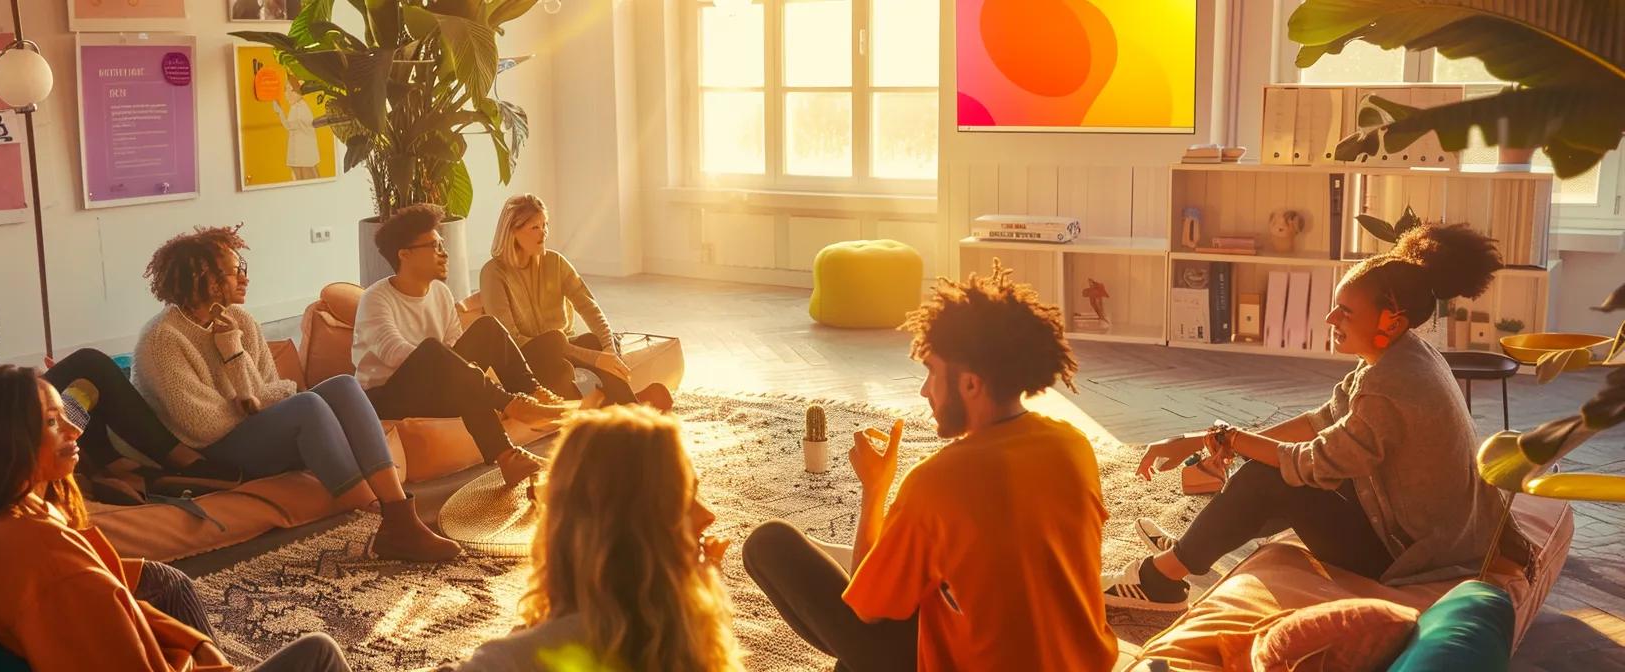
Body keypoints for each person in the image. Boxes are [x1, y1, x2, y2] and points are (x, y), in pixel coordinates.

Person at [1104, 225, 1523, 610]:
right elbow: (1321, 421)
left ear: (1389, 321)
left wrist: (1232, 440)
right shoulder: (1403, 355)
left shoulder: (1392, 383)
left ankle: (1159, 581)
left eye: (1345, 311)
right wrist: (1201, 441)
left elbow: (1310, 463)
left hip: (1415, 555)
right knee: (1264, 468)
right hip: (1436, 532)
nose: (1330, 320)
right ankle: (1191, 548)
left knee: (1267, 479)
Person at [741, 260, 1117, 671]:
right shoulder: (1074, 446)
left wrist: (875, 489)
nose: (924, 390)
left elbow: (866, 613)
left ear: (970, 384)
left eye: (932, 373)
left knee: (768, 543)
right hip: (1084, 664)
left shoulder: (936, 482)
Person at [0, 365, 348, 671]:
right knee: (319, 653)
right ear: (3, 444)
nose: (75, 430)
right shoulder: (45, 556)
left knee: (169, 582)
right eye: (53, 422)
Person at [133, 226, 460, 562]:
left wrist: (252, 393)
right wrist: (247, 384)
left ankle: (398, 517)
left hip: (251, 431)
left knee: (343, 385)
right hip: (213, 455)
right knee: (306, 405)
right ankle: (382, 512)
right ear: (205, 279)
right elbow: (204, 426)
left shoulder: (240, 321)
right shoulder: (162, 339)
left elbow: (267, 388)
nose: (245, 277)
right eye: (235, 271)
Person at [0, 257, 236, 506]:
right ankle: (151, 469)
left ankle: (126, 470)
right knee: (84, 380)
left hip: (10, 445)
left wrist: (59, 395)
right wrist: (75, 403)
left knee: (88, 364)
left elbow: (15, 408)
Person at [460, 405, 741, 671]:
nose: (709, 515)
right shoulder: (524, 658)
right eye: (684, 498)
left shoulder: (673, 624)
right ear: (627, 527)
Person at [357, 204, 566, 489]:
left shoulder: (441, 293)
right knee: (435, 352)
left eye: (442, 243)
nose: (444, 252)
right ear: (404, 255)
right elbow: (396, 354)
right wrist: (452, 367)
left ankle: (520, 424)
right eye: (434, 245)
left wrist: (459, 370)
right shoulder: (376, 299)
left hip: (429, 385)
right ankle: (512, 404)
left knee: (486, 330)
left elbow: (454, 349)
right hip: (386, 395)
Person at [479, 194, 670, 409]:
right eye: (535, 228)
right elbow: (512, 340)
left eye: (545, 225)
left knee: (593, 340)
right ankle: (607, 408)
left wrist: (607, 350)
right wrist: (593, 359)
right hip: (524, 364)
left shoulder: (555, 262)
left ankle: (628, 406)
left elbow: (589, 307)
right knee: (555, 344)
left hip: (562, 350)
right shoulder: (493, 273)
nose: (544, 234)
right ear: (513, 232)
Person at [273, 75, 320, 181]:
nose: (287, 94)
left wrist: (279, 112)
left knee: (305, 178)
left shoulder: (299, 108)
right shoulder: (298, 106)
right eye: (286, 90)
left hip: (302, 153)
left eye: (291, 90)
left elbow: (289, 125)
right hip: (301, 152)